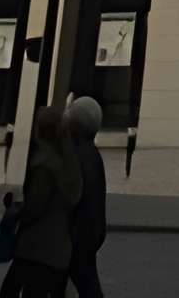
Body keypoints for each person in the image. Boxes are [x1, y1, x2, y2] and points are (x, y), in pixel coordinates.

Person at [0, 102, 79, 297]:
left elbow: (36, 206)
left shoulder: (44, 164)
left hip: (36, 247)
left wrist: (17, 211)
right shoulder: (68, 162)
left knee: (10, 292)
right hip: (59, 248)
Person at [63, 93, 109, 298]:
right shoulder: (92, 154)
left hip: (75, 236)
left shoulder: (75, 156)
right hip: (88, 233)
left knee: (86, 285)